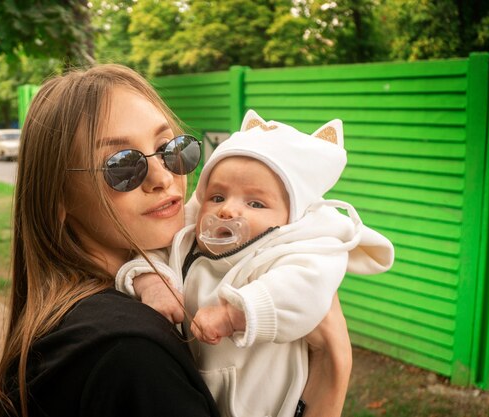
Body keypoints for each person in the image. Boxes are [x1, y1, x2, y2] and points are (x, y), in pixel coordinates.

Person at [0, 64, 354, 417]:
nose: (163, 176)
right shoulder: (128, 353)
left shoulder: (80, 321)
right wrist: (333, 372)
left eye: (170, 148)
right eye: (121, 165)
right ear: (58, 197)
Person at [117, 110, 395, 417]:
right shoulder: (188, 239)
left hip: (266, 402)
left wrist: (232, 315)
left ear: (291, 216)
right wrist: (152, 282)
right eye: (218, 197)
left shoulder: (300, 249)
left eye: (255, 203)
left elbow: (303, 291)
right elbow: (148, 257)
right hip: (196, 389)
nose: (227, 211)